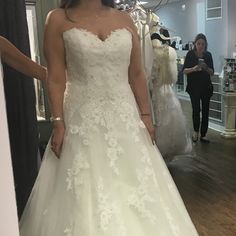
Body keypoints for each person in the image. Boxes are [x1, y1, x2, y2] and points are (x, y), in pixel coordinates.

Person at [19, 0, 199, 235]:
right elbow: (55, 77)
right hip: (81, 118)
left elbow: (136, 73)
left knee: (137, 185)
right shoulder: (58, 19)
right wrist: (58, 121)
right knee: (86, 191)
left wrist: (145, 114)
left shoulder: (124, 20)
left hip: (125, 116)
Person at [151, 35, 192, 162]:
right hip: (166, 89)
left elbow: (151, 74)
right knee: (169, 119)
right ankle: (167, 151)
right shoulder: (169, 52)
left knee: (159, 119)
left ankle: (156, 150)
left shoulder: (151, 52)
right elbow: (173, 77)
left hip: (154, 89)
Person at [183, 33, 214, 143]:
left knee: (206, 110)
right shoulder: (190, 54)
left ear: (205, 45)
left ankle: (203, 134)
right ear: (195, 44)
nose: (200, 46)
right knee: (196, 109)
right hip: (194, 87)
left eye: (203, 44)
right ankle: (195, 132)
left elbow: (212, 72)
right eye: (198, 43)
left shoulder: (208, 55)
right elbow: (184, 71)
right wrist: (194, 68)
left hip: (206, 87)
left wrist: (206, 68)